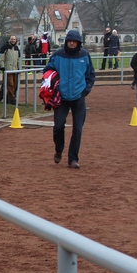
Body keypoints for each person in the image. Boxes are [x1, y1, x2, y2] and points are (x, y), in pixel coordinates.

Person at [43, 29, 95, 169]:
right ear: (66, 42)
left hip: (79, 97)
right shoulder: (58, 55)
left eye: (74, 41)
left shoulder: (84, 55)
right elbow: (47, 71)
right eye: (69, 41)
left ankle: (73, 159)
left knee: (78, 129)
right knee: (58, 126)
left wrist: (86, 90)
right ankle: (59, 148)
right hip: (61, 97)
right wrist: (53, 85)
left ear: (78, 42)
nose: (72, 43)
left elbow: (90, 74)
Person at [0, 35, 21, 105]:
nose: (13, 40)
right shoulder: (5, 47)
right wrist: (3, 67)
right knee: (10, 85)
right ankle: (12, 99)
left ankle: (7, 98)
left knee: (14, 85)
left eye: (14, 39)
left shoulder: (17, 48)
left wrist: (18, 68)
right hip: (8, 69)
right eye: (12, 39)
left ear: (16, 40)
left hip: (15, 69)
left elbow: (18, 59)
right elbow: (1, 58)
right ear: (9, 40)